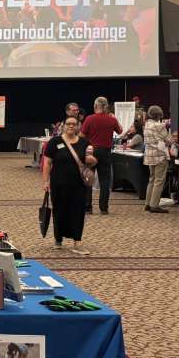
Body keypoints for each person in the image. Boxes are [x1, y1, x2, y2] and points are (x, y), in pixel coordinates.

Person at [41, 114, 96, 253]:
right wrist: (45, 181)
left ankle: (77, 242)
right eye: (68, 124)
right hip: (58, 183)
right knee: (59, 211)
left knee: (78, 212)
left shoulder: (85, 142)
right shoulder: (55, 142)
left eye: (74, 124)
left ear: (78, 126)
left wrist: (92, 160)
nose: (71, 126)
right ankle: (58, 239)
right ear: (63, 126)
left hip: (79, 184)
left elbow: (92, 161)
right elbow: (47, 163)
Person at [80, 97, 121, 214]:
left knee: (88, 178)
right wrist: (114, 119)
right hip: (106, 152)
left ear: (95, 106)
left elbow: (82, 135)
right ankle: (104, 208)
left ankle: (88, 207)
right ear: (106, 106)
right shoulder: (111, 119)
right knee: (105, 180)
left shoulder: (89, 119)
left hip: (91, 151)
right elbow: (120, 131)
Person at [142, 106, 172, 213]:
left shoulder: (147, 125)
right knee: (159, 181)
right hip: (159, 156)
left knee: (152, 180)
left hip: (149, 156)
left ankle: (148, 203)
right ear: (159, 115)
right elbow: (169, 139)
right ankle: (154, 205)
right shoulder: (159, 126)